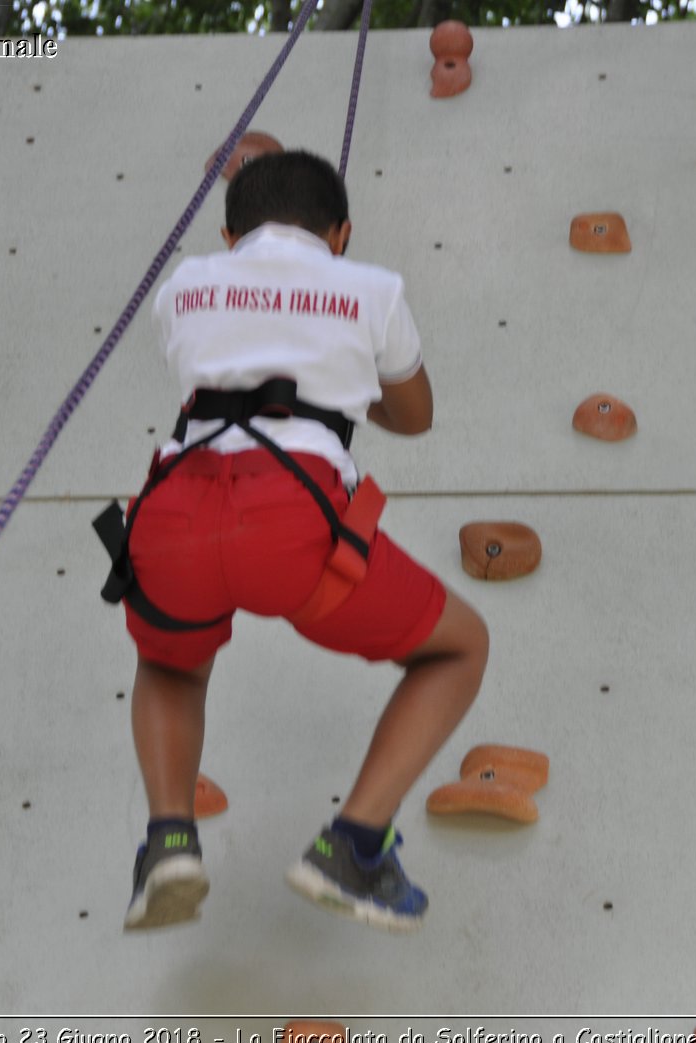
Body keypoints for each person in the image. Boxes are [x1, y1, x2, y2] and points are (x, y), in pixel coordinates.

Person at [111, 149, 488, 934]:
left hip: (173, 511)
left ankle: (168, 841)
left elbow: (224, 361)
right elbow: (414, 415)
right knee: (460, 646)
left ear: (226, 232)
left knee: (170, 662)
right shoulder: (372, 288)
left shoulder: (186, 285)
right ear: (341, 233)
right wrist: (343, 392)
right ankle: (353, 845)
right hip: (291, 518)